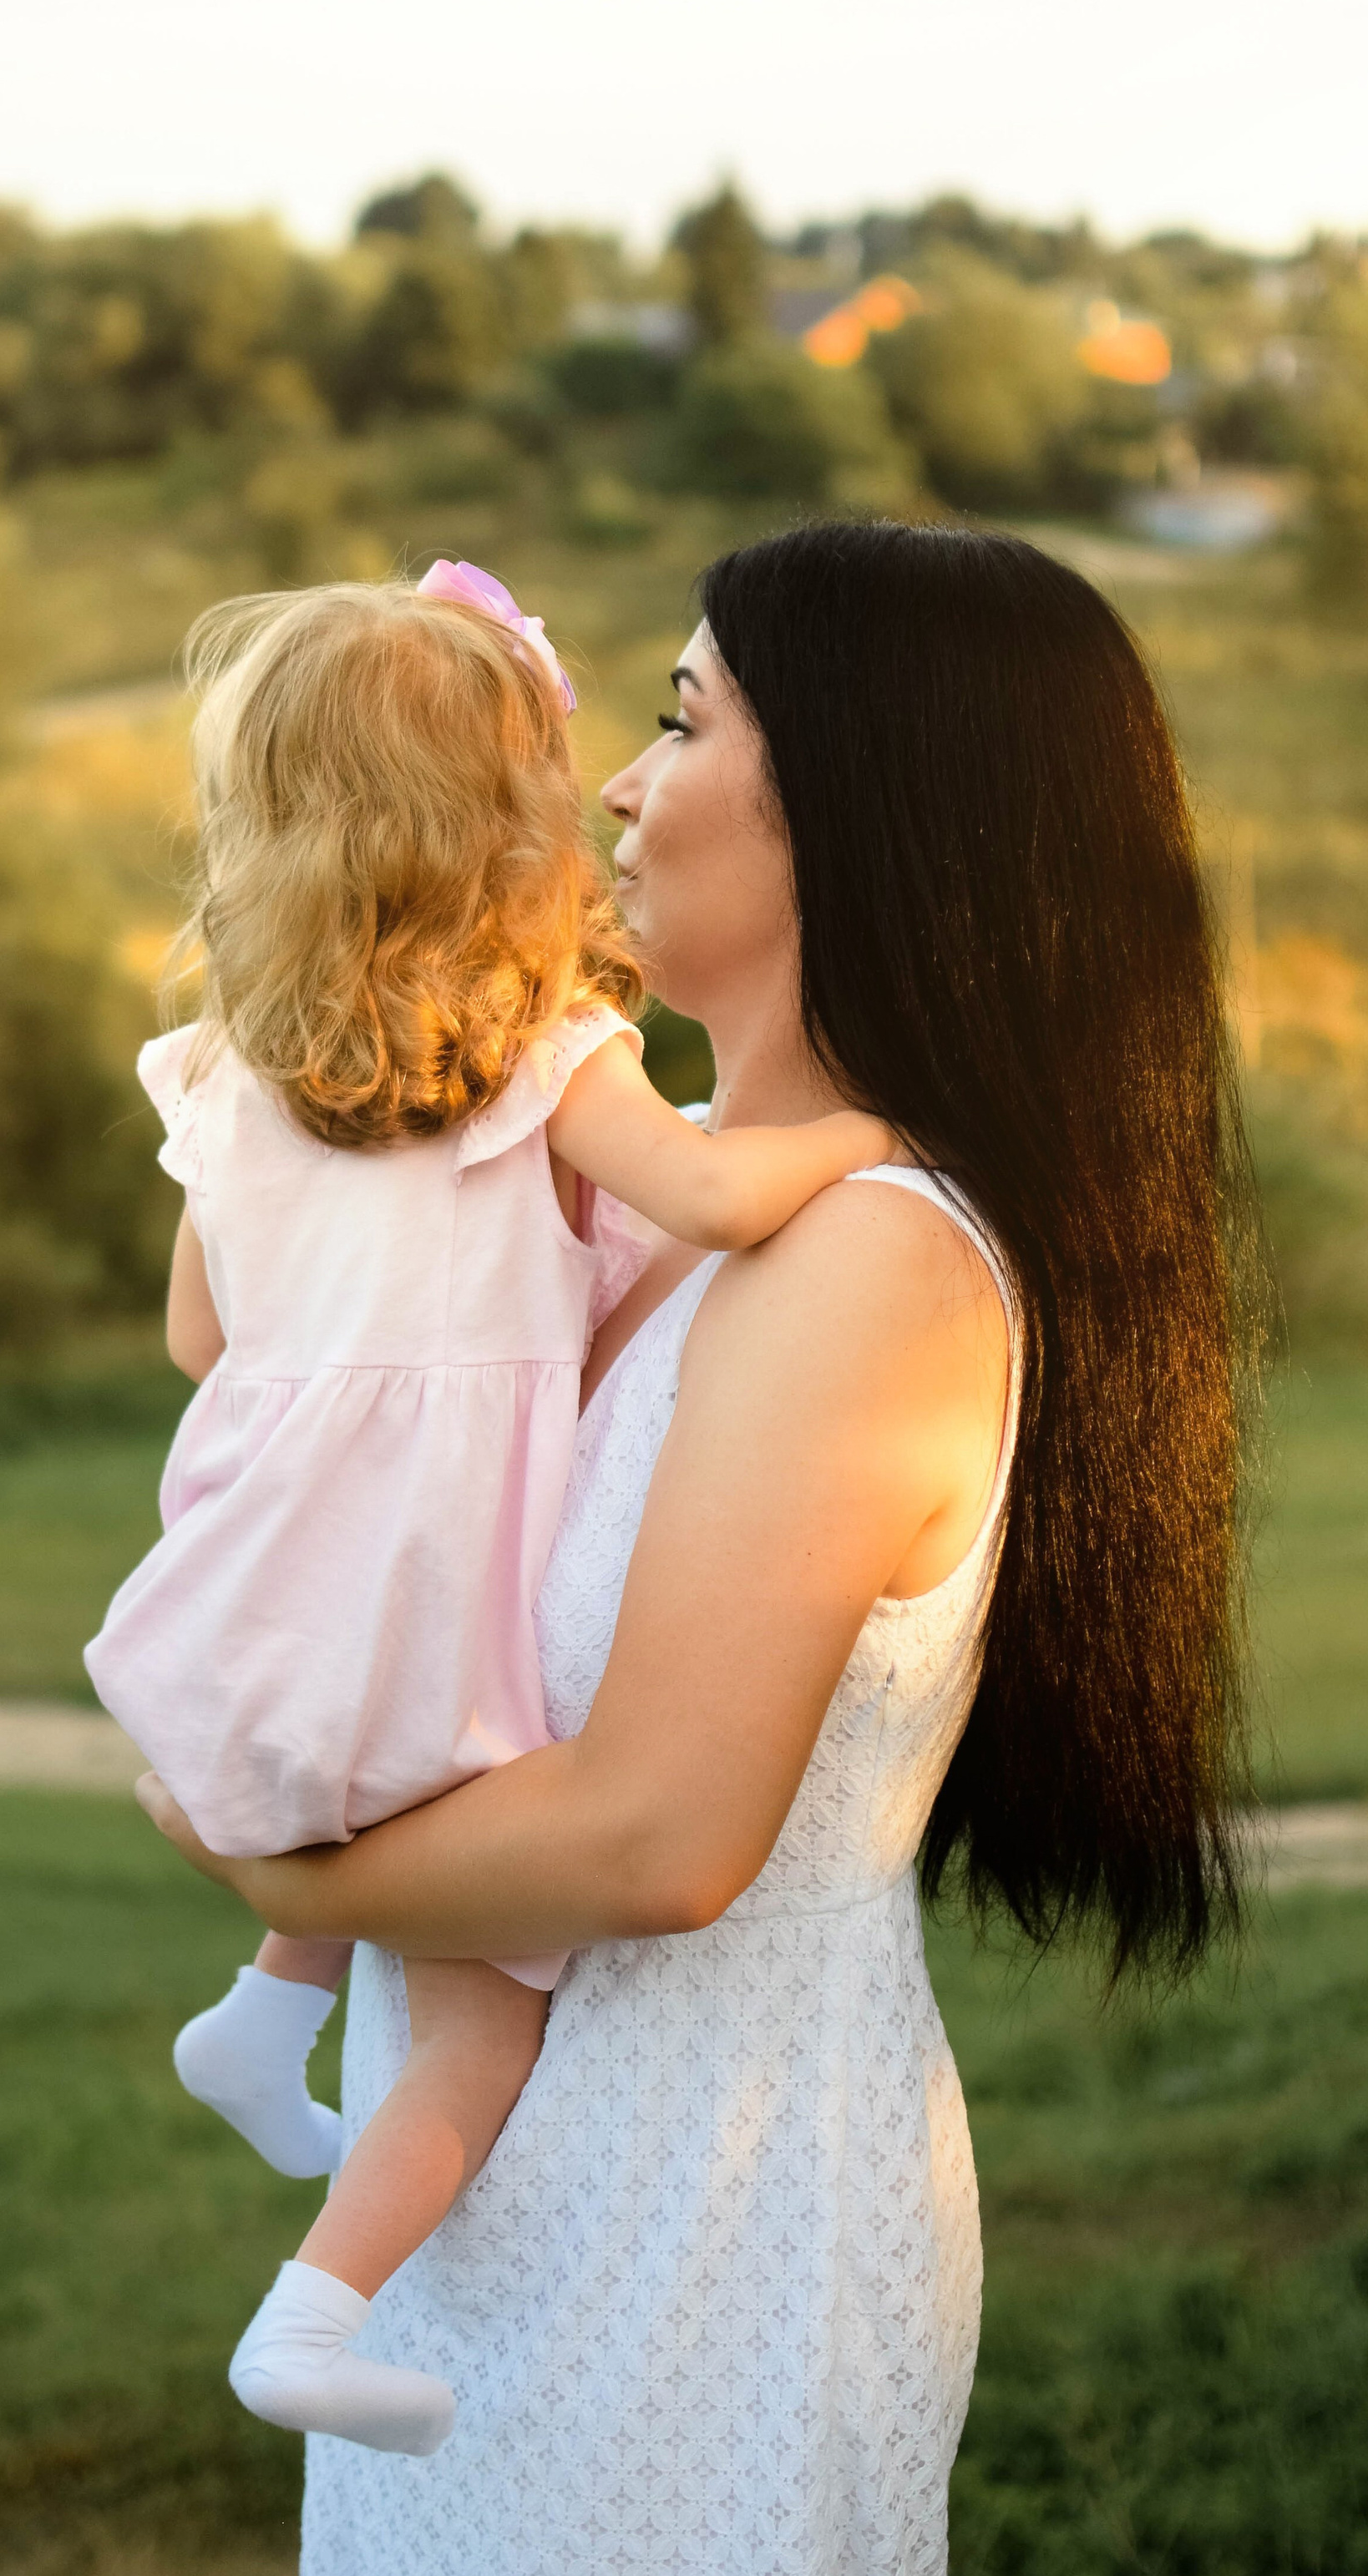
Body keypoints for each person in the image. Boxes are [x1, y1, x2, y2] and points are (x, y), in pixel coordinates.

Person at [138, 519, 1257, 2576]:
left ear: (868, 797)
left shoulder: (867, 1256)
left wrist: (261, 1849)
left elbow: (658, 1831)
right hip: (491, 2202)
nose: (620, 792)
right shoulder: (649, 1199)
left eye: (679, 717)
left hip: (707, 2233)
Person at [86, 561, 897, 2459]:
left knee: (356, 1770)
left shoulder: (227, 1073)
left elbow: (203, 1331)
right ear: (505, 826)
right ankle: (311, 2307)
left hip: (249, 1577)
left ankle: (259, 2015)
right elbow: (706, 1208)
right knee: (476, 2013)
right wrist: (856, 1143)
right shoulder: (548, 1059)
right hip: (422, 1585)